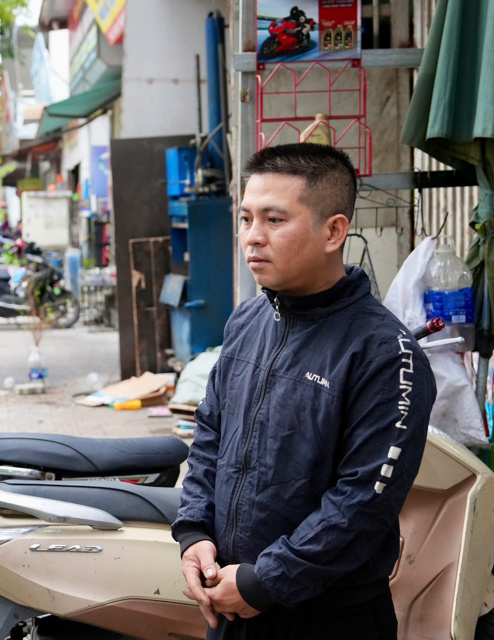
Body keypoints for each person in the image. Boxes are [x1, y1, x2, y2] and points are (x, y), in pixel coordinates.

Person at [173, 143, 436, 640]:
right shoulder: (247, 321)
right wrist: (194, 533)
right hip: (230, 606)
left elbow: (363, 500)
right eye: (246, 218)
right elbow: (211, 433)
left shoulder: (385, 353)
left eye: (274, 220)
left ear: (334, 231)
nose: (253, 237)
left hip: (329, 618)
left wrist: (266, 580)